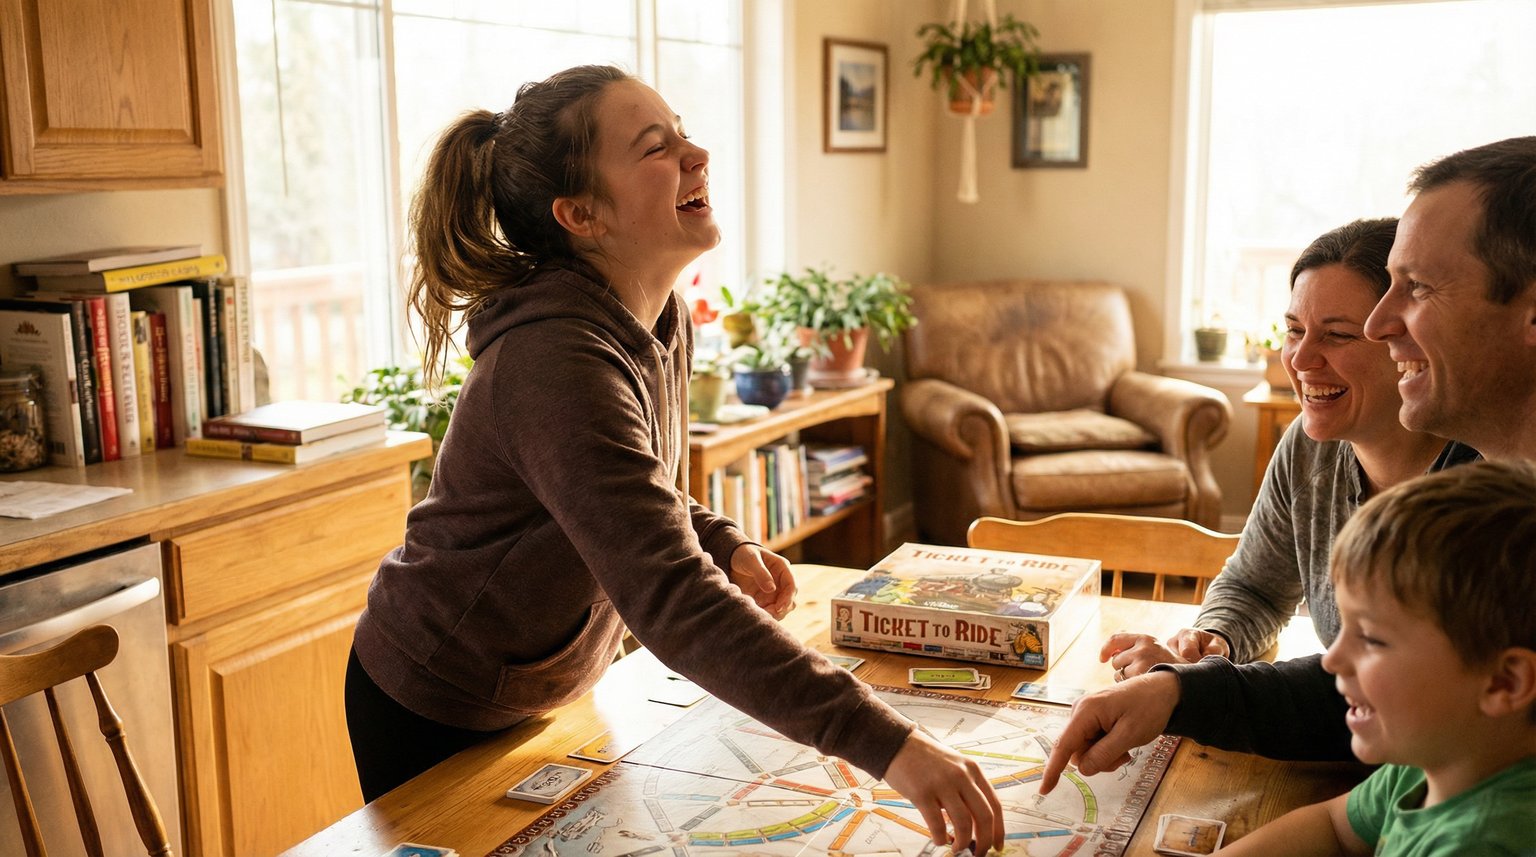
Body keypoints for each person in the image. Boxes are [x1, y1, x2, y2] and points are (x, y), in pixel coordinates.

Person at [343, 65, 1003, 853]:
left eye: (682, 129)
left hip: (540, 689)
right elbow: (673, 601)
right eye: (657, 146)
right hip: (433, 697)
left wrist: (724, 541)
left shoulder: (661, 318)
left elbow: (631, 487)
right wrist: (895, 746)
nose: (697, 153)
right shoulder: (553, 362)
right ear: (581, 214)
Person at [1040, 135, 1536, 791]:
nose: (1388, 325)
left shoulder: (1492, 510)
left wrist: (1187, 693)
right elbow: (1354, 692)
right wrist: (1187, 678)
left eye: (1416, 288)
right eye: (1295, 330)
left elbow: (1396, 702)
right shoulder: (1313, 450)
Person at [1101, 219, 1477, 681]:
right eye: (1295, 330)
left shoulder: (1484, 480)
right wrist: (1214, 641)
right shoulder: (1306, 445)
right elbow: (1255, 587)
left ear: (1407, 340)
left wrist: (1200, 693)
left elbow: (1385, 682)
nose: (1300, 361)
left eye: (1338, 335)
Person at [1218, 460, 1536, 855]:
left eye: (1371, 639)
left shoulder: (1485, 841)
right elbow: (1333, 826)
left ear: (1504, 682)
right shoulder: (1434, 761)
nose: (1332, 660)